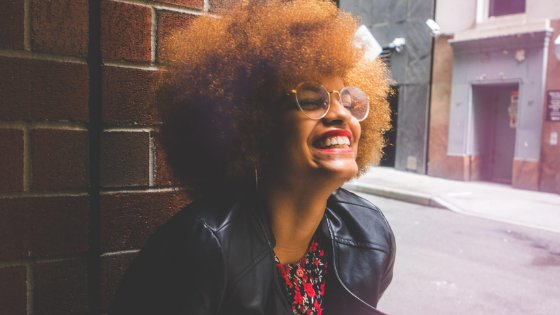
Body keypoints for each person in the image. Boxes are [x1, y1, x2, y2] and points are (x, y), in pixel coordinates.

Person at [109, 0, 395, 314]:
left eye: (347, 100)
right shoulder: (201, 246)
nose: (340, 115)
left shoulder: (370, 235)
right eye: (313, 101)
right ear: (256, 124)